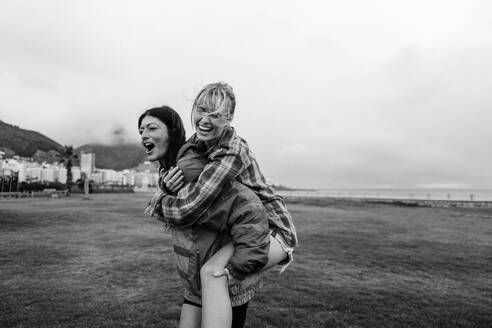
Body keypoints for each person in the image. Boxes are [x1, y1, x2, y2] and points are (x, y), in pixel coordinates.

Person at [148, 82, 298, 327]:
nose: (205, 119)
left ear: (229, 119)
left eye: (216, 115)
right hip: (241, 228)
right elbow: (178, 177)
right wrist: (165, 188)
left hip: (273, 231)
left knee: (213, 274)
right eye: (201, 109)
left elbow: (191, 207)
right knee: (202, 283)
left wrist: (159, 202)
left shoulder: (232, 151)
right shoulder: (197, 143)